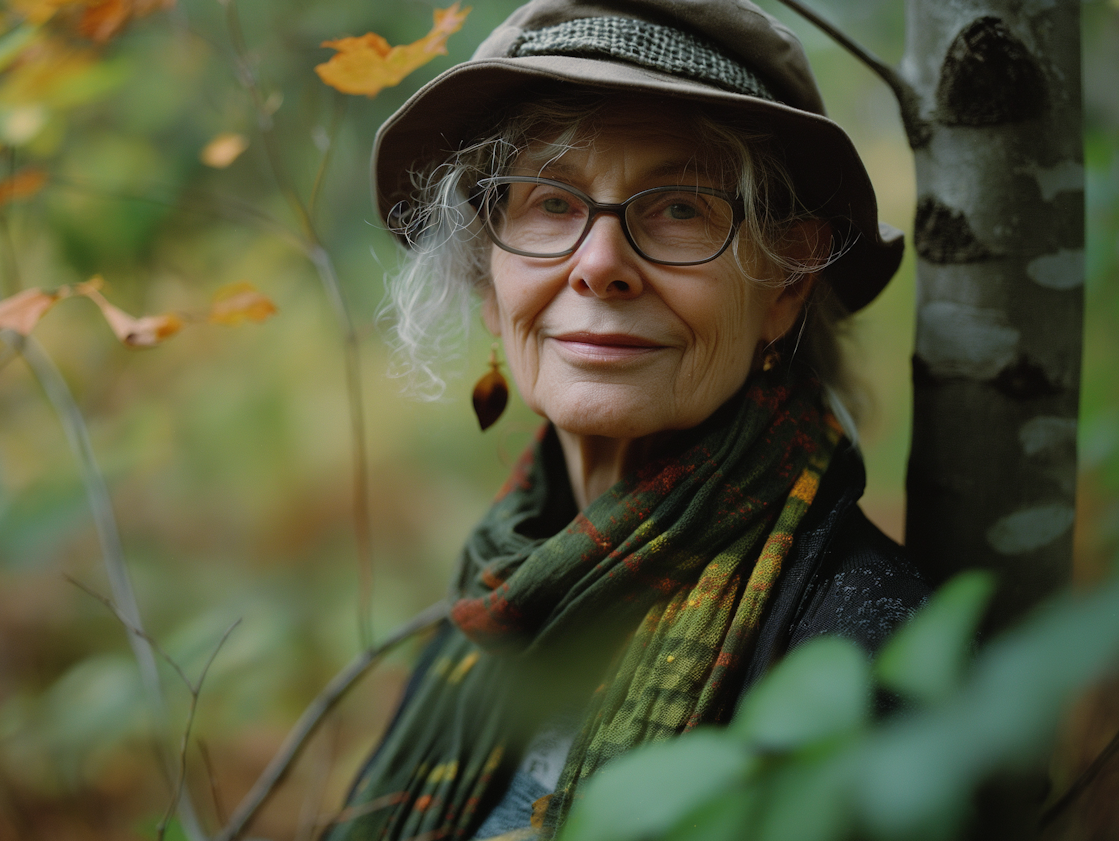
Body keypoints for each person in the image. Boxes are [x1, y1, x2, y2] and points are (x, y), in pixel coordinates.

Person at [327, 1, 930, 839]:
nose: (600, 265)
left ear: (785, 281)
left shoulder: (866, 648)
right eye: (550, 202)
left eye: (680, 207)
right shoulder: (497, 595)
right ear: (484, 275)